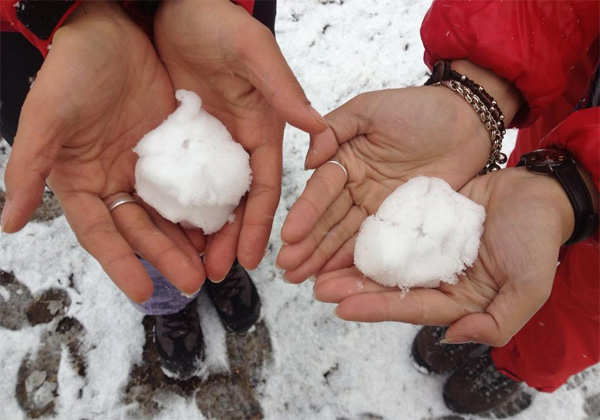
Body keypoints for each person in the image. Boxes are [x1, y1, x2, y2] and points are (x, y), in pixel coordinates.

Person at [279, 0, 599, 417]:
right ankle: (495, 322)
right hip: (578, 86)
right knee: (526, 196)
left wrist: (586, 189)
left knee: (579, 313)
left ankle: (518, 366)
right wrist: (484, 82)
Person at [0, 0, 328, 378]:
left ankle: (223, 266)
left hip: (210, 24)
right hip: (32, 43)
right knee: (123, 206)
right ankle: (171, 304)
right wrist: (63, 11)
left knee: (234, 200)